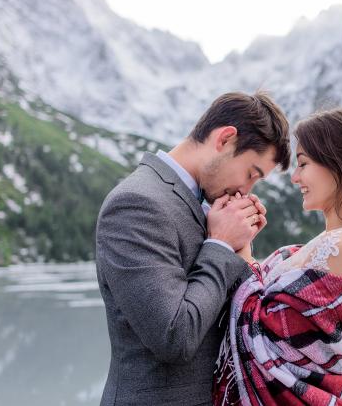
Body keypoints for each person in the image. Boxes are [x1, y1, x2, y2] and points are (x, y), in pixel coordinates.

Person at [95, 91, 290, 406]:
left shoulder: (208, 204)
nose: (246, 190)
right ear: (225, 139)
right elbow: (174, 337)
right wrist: (222, 244)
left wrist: (242, 251)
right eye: (251, 173)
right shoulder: (136, 204)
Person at [213, 108, 342, 406]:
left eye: (303, 164)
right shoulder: (334, 240)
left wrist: (241, 250)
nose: (295, 177)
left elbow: (272, 338)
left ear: (338, 163)